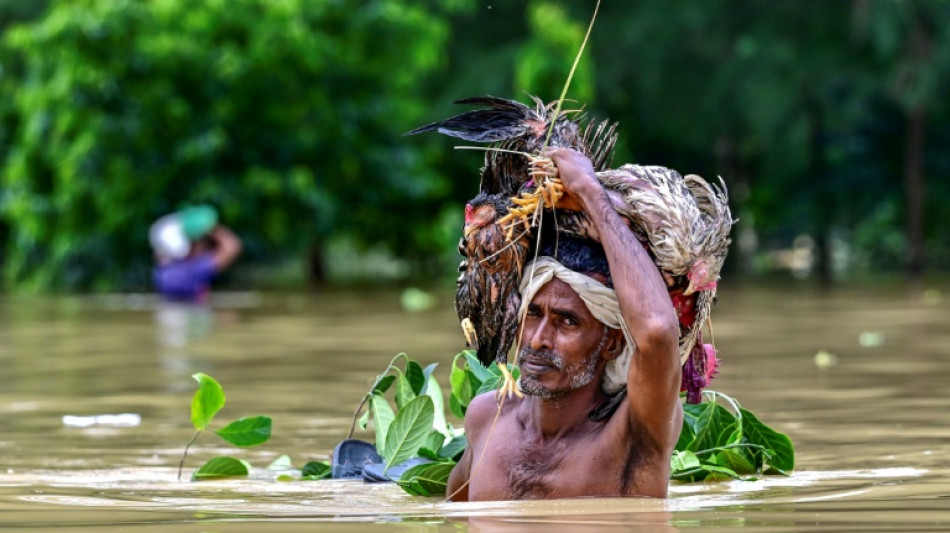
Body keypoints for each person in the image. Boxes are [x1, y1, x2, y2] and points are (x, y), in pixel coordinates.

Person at [447, 147, 683, 501]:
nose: (539, 339)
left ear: (613, 342)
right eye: (534, 314)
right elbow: (450, 516)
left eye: (567, 322)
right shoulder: (487, 418)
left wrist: (589, 191)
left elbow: (658, 331)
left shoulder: (633, 431)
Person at [149, 205, 242, 303]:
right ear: (192, 245)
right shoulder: (192, 271)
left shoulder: (163, 273)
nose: (206, 247)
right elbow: (232, 247)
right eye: (203, 241)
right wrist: (209, 226)